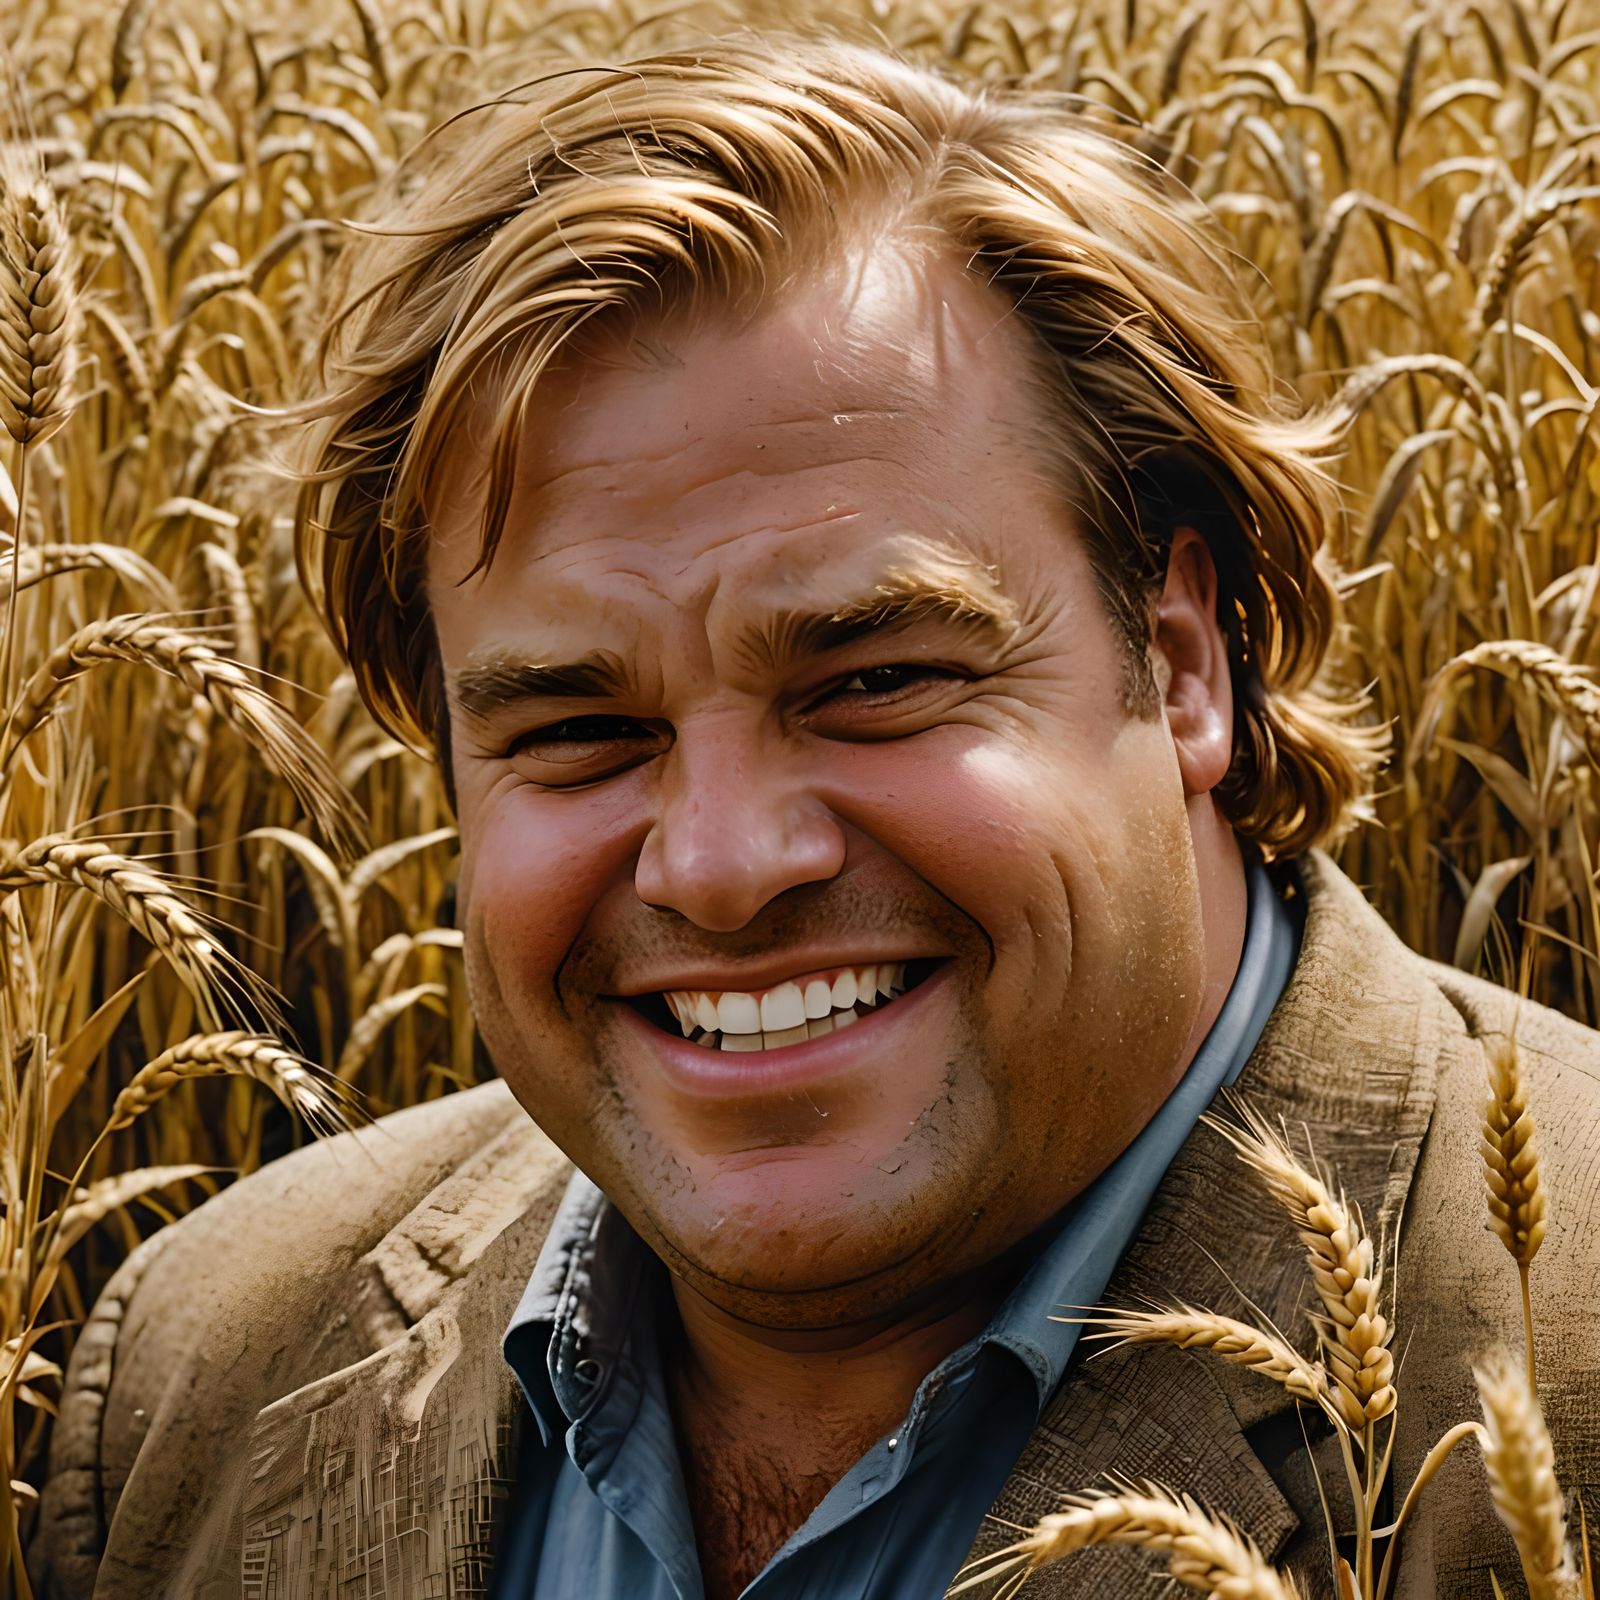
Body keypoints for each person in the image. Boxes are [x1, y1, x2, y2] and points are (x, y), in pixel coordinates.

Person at [35, 30, 1600, 1600]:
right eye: (581, 729)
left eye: (876, 683)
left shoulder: (1564, 1369)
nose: (719, 865)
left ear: (1184, 665)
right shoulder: (202, 1367)